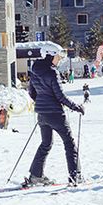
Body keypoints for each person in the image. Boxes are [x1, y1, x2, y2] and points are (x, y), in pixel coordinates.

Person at [23, 49, 85, 187]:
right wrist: (76, 107)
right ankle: (75, 176)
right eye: (58, 56)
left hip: (42, 115)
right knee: (69, 144)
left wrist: (42, 103)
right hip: (56, 115)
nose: (59, 59)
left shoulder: (35, 71)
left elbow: (32, 93)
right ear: (51, 56)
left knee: (46, 144)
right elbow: (60, 96)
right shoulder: (52, 72)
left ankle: (35, 175)